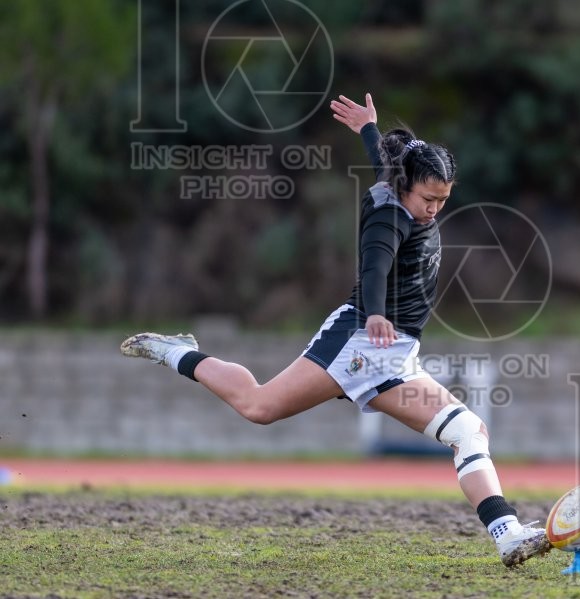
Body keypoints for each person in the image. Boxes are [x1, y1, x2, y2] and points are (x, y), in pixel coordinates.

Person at [120, 93, 550, 567]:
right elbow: (374, 267)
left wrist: (369, 128)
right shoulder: (387, 218)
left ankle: (507, 534)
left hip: (396, 357)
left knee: (469, 432)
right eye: (429, 199)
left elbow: (385, 162)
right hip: (360, 341)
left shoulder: (400, 181)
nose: (434, 210)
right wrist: (373, 312)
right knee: (259, 406)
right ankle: (175, 352)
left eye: (444, 200)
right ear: (408, 189)